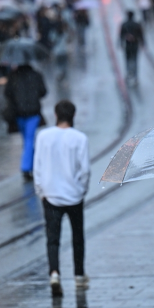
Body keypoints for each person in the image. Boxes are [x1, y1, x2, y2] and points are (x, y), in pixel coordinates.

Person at [34, 100, 90, 296]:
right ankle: (79, 276)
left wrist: (41, 191)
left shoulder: (43, 136)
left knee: (52, 238)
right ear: (73, 116)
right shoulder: (79, 138)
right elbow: (85, 170)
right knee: (77, 237)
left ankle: (54, 273)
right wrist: (81, 190)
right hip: (74, 195)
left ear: (56, 115)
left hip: (50, 195)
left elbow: (37, 167)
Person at [4, 62, 47, 182]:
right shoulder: (36, 75)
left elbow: (7, 93)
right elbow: (43, 91)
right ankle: (27, 167)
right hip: (33, 113)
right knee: (29, 140)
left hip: (19, 113)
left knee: (27, 140)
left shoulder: (13, 76)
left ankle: (28, 166)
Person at [119, 11, 145, 85]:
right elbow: (141, 35)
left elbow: (121, 35)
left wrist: (121, 43)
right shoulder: (137, 25)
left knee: (128, 59)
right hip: (135, 45)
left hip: (128, 45)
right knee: (135, 59)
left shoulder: (124, 24)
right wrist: (143, 43)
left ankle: (128, 73)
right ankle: (135, 75)